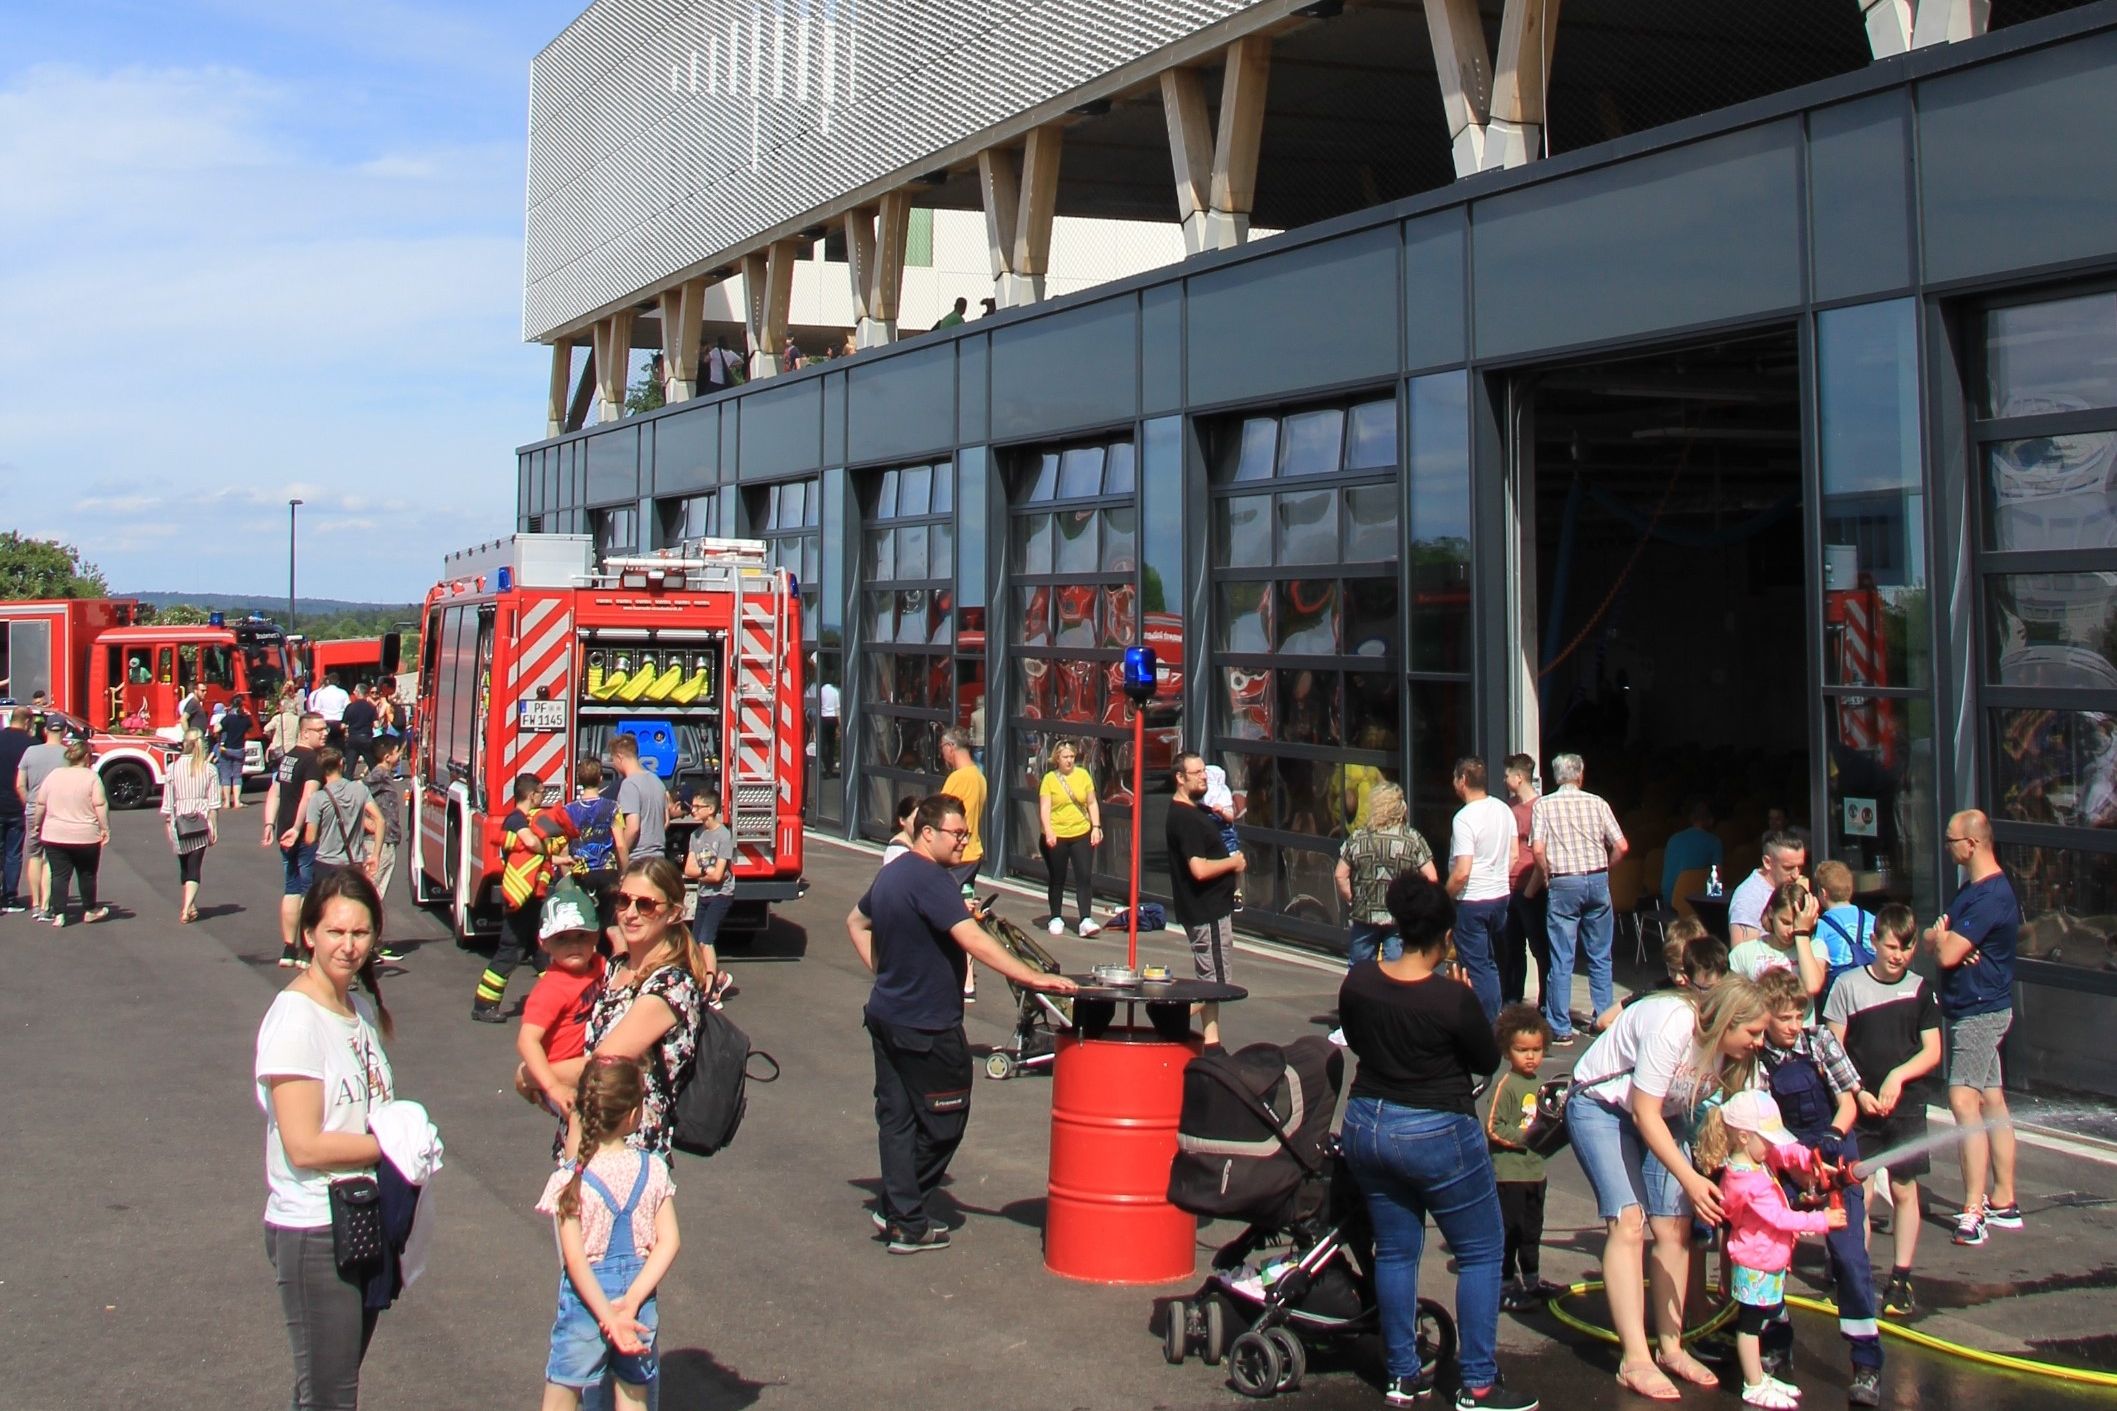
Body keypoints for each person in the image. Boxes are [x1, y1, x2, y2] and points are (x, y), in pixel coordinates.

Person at [1338, 874, 1538, 1411]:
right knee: (1480, 1250)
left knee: (1395, 1249)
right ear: (1445, 937)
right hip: (1436, 1127)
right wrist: (1468, 999)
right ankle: (1477, 1382)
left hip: (1367, 1120)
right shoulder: (1452, 999)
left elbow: (1355, 1039)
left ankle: (1402, 1375)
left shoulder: (1359, 980)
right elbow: (1486, 1059)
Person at [847, 795, 1078, 1253]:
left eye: (967, 833)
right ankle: (902, 1209)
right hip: (926, 1024)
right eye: (957, 834)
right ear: (927, 832)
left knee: (898, 1120)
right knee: (945, 1119)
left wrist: (885, 972)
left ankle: (903, 1217)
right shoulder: (933, 879)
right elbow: (972, 939)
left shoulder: (893, 872)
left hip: (887, 1015)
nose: (964, 842)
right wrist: (1033, 976)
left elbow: (856, 923)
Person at [1563, 977, 1770, 1400]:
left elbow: (1753, 1125)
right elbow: (1644, 1112)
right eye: (1753, 1031)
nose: (1760, 1041)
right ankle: (1635, 1358)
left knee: (1675, 1226)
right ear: (1728, 1021)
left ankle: (1672, 1348)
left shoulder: (1739, 1057)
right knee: (1629, 1221)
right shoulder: (1673, 1023)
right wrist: (1691, 1179)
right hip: (1602, 1105)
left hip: (1665, 1115)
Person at [253, 868, 397, 1411]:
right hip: (314, 1226)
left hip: (362, 1218)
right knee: (331, 1398)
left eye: (360, 933)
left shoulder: (358, 1011)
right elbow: (304, 1145)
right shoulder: (296, 1018)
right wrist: (394, 1147)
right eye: (335, 932)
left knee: (322, 1390)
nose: (348, 945)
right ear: (309, 933)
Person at [1754, 968, 1883, 1404]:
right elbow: (1763, 1126)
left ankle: (1866, 1363)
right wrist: (1797, 1170)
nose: (1795, 1026)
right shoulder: (1757, 1059)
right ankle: (1775, 1343)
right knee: (1766, 1256)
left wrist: (1832, 1137)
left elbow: (1847, 1101)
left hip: (1836, 1154)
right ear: (1765, 1016)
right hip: (1786, 1161)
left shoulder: (1820, 1041)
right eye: (1785, 1018)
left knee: (1850, 1258)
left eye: (1799, 1016)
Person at [537, 1056, 679, 1411]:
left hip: (588, 1304)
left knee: (562, 1395)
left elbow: (575, 1261)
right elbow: (669, 1242)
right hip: (636, 1304)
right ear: (633, 1116)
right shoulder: (653, 1169)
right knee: (633, 1397)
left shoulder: (570, 1180)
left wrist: (607, 1316)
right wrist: (629, 1303)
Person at [1689, 1092, 1843, 1410]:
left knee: (1758, 1322)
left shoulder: (1755, 1160)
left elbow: (1785, 1152)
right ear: (1744, 1137)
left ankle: (1757, 1376)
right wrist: (1823, 1220)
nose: (1773, 1145)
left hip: (1766, 1260)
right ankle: (1753, 1384)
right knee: (1750, 1326)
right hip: (1755, 1263)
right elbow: (1781, 1217)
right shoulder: (1747, 1182)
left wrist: (1810, 1159)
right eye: (1767, 1139)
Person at [1824, 904, 1940, 1318]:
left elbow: (1932, 1051)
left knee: (1905, 1189)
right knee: (1861, 1191)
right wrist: (1856, 1094)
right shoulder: (1848, 986)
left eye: (1906, 949)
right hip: (1861, 1107)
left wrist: (1898, 1077)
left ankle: (1900, 1278)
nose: (1899, 956)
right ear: (1873, 941)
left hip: (1905, 1107)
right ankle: (1853, 1274)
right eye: (1891, 947)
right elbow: (1833, 1051)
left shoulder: (1921, 990)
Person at [1923, 809, 2020, 1246]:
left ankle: (1973, 1211)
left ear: (1973, 843)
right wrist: (1944, 940)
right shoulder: (1970, 891)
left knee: (1963, 1100)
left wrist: (1947, 943)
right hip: (1971, 1007)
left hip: (1980, 1012)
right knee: (1991, 1099)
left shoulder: (1991, 897)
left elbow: (1944, 952)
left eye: (1951, 840)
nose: (1947, 847)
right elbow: (1934, 938)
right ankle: (2004, 1199)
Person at [1530, 752, 1627, 1044]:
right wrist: (1605, 869)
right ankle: (1603, 1017)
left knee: (1562, 956)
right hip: (1596, 877)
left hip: (1563, 880)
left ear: (1556, 776)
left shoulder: (1544, 805)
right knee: (1600, 954)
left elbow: (1537, 849)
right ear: (1580, 776)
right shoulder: (1598, 803)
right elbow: (1621, 845)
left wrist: (1546, 873)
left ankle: (1559, 1026)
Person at [1485, 1004, 1562, 1312]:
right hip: (1509, 1174)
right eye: (1522, 1050)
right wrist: (1526, 1138)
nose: (1530, 1056)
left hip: (1535, 1173)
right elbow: (1494, 1127)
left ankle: (1531, 1279)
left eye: (1536, 1050)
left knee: (1532, 1230)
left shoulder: (1541, 1085)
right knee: (1510, 1231)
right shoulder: (1507, 1085)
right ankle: (1503, 1284)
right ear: (1508, 1051)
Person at [1166, 753, 1246, 1047]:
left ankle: (1212, 1042)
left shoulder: (1195, 811)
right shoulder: (1185, 818)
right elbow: (1198, 869)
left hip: (1210, 909)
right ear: (1180, 777)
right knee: (1216, 984)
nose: (1204, 777)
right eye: (1197, 772)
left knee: (1209, 979)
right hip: (1206, 911)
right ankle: (1170, 1020)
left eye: (1204, 771)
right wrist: (1233, 863)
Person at [478, 773, 569, 1023]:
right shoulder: (516, 820)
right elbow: (531, 844)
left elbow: (536, 855)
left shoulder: (525, 819)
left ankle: (557, 1002)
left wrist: (562, 859)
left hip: (532, 896)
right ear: (531, 795)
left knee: (541, 952)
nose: (543, 797)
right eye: (541, 792)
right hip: (519, 896)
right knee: (510, 950)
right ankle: (484, 1004)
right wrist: (550, 847)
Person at [519, 882, 611, 1121]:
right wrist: (552, 1086)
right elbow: (527, 1040)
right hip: (558, 1076)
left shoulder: (601, 965)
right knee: (584, 1124)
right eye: (561, 938)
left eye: (582, 935)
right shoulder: (550, 989)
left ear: (595, 936)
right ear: (544, 943)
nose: (574, 945)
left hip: (586, 1070)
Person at [1447, 758, 1518, 1025]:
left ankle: (1487, 1025)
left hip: (1473, 900)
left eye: (1455, 778)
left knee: (1478, 966)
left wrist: (1444, 896)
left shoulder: (1464, 818)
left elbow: (1462, 871)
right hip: (1499, 897)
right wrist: (1496, 878)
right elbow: (1514, 855)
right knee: (1491, 961)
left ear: (1463, 781)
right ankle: (1489, 1015)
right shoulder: (1503, 809)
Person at [1334, 782, 1436, 966]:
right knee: (1396, 968)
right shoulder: (1412, 838)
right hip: (1399, 915)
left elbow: (1340, 875)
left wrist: (1353, 899)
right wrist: (1416, 905)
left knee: (1360, 969)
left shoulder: (1359, 837)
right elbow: (1432, 878)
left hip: (1365, 914)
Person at [262, 712, 327, 967]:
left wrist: (270, 824)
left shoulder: (287, 758)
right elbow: (309, 796)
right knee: (308, 889)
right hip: (304, 833)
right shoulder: (313, 761)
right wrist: (299, 828)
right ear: (305, 732)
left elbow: (275, 792)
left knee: (291, 887)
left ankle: (288, 948)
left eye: (325, 729)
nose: (324, 733)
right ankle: (305, 948)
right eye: (319, 730)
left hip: (284, 830)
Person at [30, 734, 111, 927]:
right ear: (86, 757)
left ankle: (59, 914)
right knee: (87, 873)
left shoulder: (54, 775)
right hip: (85, 835)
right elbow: (99, 804)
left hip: (54, 833)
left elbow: (41, 803)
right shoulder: (91, 777)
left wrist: (37, 824)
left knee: (59, 874)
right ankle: (89, 909)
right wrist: (105, 828)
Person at [1593, 921, 1725, 1031]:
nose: (1678, 979)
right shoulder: (1656, 990)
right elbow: (1603, 1021)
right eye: (1672, 970)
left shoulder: (1718, 994)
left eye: (1684, 971)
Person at [1037, 740, 1101, 937]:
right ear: (1057, 758)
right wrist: (1048, 831)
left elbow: (1092, 802)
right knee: (1058, 877)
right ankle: (1056, 916)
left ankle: (1085, 919)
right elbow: (1045, 807)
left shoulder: (1083, 776)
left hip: (1080, 832)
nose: (1069, 761)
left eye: (1072, 757)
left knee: (1084, 876)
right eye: (1065, 757)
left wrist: (1096, 827)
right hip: (1058, 834)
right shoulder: (1049, 779)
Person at [160, 726, 220, 924]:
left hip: (179, 820)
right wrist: (214, 827)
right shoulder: (209, 769)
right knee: (195, 865)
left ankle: (188, 904)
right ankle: (188, 907)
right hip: (201, 819)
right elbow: (214, 803)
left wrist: (168, 822)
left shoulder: (173, 768)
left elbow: (168, 801)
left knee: (184, 865)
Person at [1728, 880, 1827, 998]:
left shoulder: (1815, 947)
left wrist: (1802, 933)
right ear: (1771, 912)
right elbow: (1732, 998)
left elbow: (1812, 986)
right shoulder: (1745, 952)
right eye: (1785, 922)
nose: (1791, 930)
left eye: (1796, 924)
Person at [304, 748, 383, 890]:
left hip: (325, 864)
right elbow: (380, 820)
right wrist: (375, 855)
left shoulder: (318, 798)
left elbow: (310, 838)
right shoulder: (360, 790)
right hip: (353, 863)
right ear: (341, 763)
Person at [681, 792, 736, 994]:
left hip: (722, 895)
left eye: (697, 807)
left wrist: (702, 873)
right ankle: (720, 977)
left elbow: (719, 876)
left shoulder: (723, 835)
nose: (693, 810)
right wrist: (706, 872)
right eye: (692, 806)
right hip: (704, 894)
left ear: (711, 809)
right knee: (696, 944)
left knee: (706, 940)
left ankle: (711, 990)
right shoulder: (695, 835)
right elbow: (688, 870)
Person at [1501, 754, 1544, 1006]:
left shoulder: (1541, 808)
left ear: (1519, 777)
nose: (1504, 780)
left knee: (1539, 946)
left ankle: (1546, 1001)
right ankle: (1511, 998)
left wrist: (1532, 889)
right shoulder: (1508, 808)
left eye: (1507, 775)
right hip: (1509, 886)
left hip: (1531, 886)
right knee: (1512, 946)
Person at [16, 713, 67, 921]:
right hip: (56, 811)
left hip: (33, 808)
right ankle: (46, 905)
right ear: (64, 731)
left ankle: (36, 904)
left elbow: (20, 784)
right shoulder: (67, 755)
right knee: (50, 858)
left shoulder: (31, 752)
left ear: (45, 730)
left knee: (35, 855)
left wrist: (29, 803)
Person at [564, 758, 623, 928]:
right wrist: (624, 872)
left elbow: (563, 848)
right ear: (601, 778)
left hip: (580, 872)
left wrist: (567, 877)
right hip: (607, 871)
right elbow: (620, 845)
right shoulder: (613, 807)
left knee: (584, 924)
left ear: (579, 779)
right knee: (610, 925)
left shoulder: (568, 810)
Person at [1728, 831, 1807, 946]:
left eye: (1800, 867)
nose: (1796, 874)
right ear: (1767, 862)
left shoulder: (1796, 886)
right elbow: (1742, 953)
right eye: (1788, 868)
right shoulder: (1748, 897)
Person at [1811, 861, 1876, 998]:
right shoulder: (1871, 918)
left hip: (1839, 994)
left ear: (1823, 893)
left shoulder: (1821, 925)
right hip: (1870, 990)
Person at [938, 728, 986, 888]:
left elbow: (939, 814)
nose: (942, 753)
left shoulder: (958, 778)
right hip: (973, 852)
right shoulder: (979, 776)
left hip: (958, 854)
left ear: (950, 747)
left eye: (942, 747)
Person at [610, 736, 668, 868]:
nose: (614, 764)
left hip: (638, 861)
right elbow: (665, 821)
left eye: (613, 760)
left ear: (619, 757)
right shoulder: (657, 781)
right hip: (659, 860)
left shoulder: (630, 784)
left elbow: (633, 828)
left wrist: (620, 855)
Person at [363, 735, 407, 905]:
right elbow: (355, 793)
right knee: (371, 891)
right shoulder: (378, 775)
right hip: (378, 843)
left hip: (387, 841)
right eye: (397, 752)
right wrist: (365, 821)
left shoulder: (384, 775)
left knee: (376, 893)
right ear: (387, 757)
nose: (400, 755)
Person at [1660, 799, 1723, 906]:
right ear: (1711, 820)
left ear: (1691, 818)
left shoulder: (1673, 839)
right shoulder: (1714, 842)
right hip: (1697, 904)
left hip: (1670, 901)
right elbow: (1715, 886)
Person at [0, 705, 32, 914]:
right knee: (13, 853)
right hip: (17, 805)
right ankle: (10, 897)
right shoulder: (32, 745)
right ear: (27, 722)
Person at [216, 691, 254, 809]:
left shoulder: (227, 718)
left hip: (226, 749)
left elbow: (216, 729)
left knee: (225, 775)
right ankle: (237, 801)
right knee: (237, 776)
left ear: (231, 705)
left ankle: (227, 802)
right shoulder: (245, 719)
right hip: (239, 749)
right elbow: (250, 730)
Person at [341, 683, 379, 777]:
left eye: (355, 691)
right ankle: (378, 781)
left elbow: (342, 726)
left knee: (350, 767)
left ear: (357, 693)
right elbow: (376, 725)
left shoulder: (350, 707)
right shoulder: (371, 707)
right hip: (366, 738)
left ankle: (347, 782)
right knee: (372, 765)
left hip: (353, 738)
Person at [261, 683, 304, 765]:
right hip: (292, 748)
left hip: (278, 748)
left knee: (277, 768)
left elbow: (266, 729)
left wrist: (271, 736)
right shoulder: (298, 719)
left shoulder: (278, 718)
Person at [309, 672, 351, 748]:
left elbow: (317, 709)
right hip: (339, 722)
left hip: (325, 722)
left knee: (326, 744)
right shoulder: (343, 693)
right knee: (339, 745)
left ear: (328, 681)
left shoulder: (321, 693)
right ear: (338, 682)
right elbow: (348, 708)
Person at [881, 795, 920, 864]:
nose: (920, 823)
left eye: (922, 819)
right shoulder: (898, 851)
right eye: (915, 819)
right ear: (902, 820)